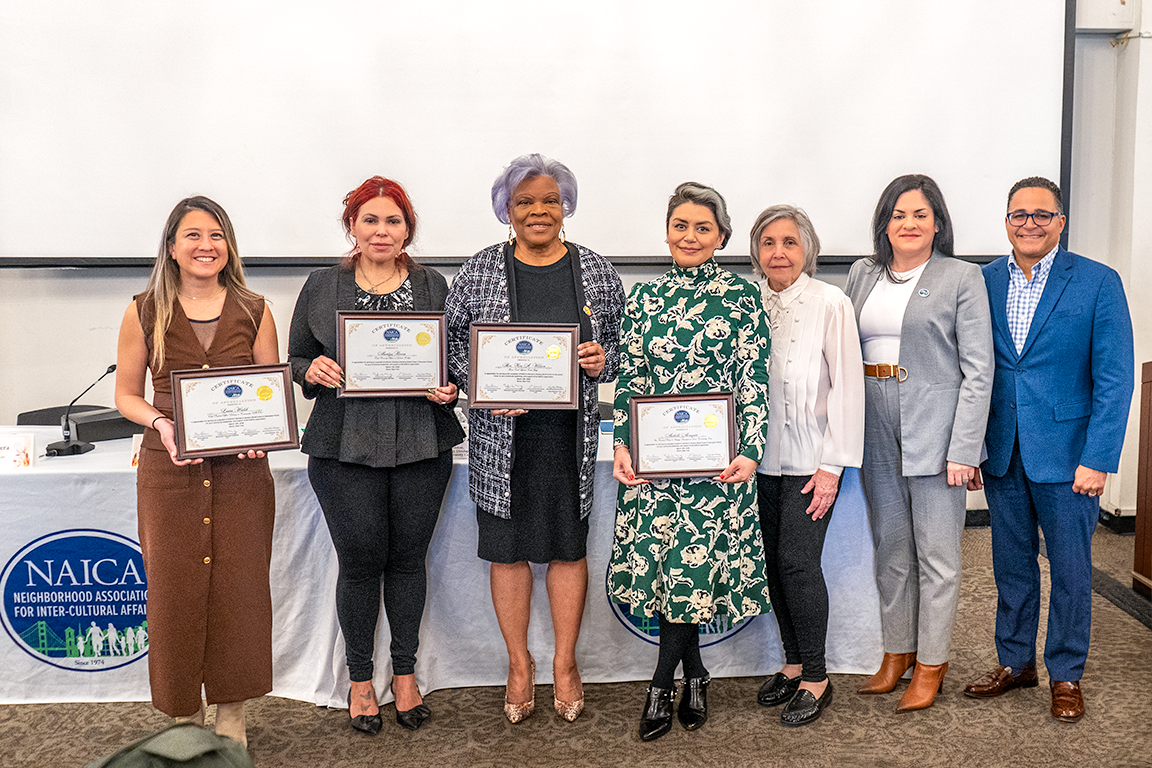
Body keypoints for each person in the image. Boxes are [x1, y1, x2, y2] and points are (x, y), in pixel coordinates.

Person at [444, 154, 625, 723]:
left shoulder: (596, 271)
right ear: (507, 210)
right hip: (503, 439)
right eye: (525, 202)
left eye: (549, 200)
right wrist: (483, 387)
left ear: (565, 206)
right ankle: (519, 664)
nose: (538, 210)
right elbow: (450, 349)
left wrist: (603, 360)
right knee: (509, 552)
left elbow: (623, 345)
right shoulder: (478, 271)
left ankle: (565, 664)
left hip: (568, 439)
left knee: (568, 549)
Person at [288, 176, 465, 736]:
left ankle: (406, 675)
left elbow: (458, 360)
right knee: (361, 562)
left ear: (408, 228)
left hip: (421, 441)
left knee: (409, 560)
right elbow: (297, 358)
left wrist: (451, 388)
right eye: (370, 219)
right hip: (342, 446)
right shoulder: (321, 286)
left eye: (393, 220)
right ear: (352, 226)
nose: (382, 231)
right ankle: (361, 679)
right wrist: (309, 371)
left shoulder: (436, 285)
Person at [964, 177, 1134, 722]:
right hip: (1003, 450)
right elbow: (971, 369)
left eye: (1042, 214)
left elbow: (1114, 378)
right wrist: (969, 446)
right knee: (1011, 566)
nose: (1030, 223)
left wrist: (1099, 456)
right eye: (1019, 214)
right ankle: (1016, 663)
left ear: (1061, 221)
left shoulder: (1097, 282)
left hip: (1069, 456)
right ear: (1005, 221)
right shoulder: (981, 281)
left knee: (1070, 569)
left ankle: (1066, 673)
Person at [115, 196, 279, 746]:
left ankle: (232, 714)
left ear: (228, 246)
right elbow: (125, 396)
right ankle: (185, 717)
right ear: (171, 247)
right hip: (169, 474)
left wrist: (261, 434)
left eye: (216, 235)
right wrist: (161, 423)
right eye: (192, 235)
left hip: (241, 477)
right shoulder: (143, 310)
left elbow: (270, 392)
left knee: (241, 590)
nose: (205, 245)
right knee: (175, 592)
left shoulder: (256, 309)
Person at [610, 182, 771, 742]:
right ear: (667, 232)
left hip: (717, 465)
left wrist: (751, 450)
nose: (690, 236)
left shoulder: (742, 297)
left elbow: (753, 380)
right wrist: (623, 443)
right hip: (654, 465)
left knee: (693, 570)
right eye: (681, 225)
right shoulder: (643, 295)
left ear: (721, 237)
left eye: (703, 227)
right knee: (668, 573)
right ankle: (695, 672)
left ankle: (661, 683)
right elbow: (631, 378)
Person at [845, 174, 993, 712]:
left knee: (937, 557)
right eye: (899, 215)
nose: (909, 224)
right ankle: (897, 653)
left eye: (920, 215)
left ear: (938, 224)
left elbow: (979, 370)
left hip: (936, 427)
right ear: (885, 222)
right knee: (891, 549)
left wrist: (965, 449)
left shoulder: (961, 277)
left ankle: (931, 664)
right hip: (872, 423)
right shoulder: (863, 274)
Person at [749, 205, 864, 726]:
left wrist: (833, 467)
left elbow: (848, 389)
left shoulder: (831, 303)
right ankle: (793, 664)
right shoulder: (746, 302)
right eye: (768, 242)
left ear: (807, 250)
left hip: (809, 462)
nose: (778, 252)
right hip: (754, 463)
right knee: (772, 566)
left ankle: (817, 677)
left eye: (789, 243)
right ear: (755, 251)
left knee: (798, 565)